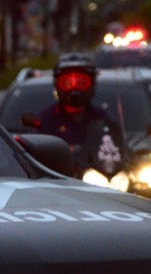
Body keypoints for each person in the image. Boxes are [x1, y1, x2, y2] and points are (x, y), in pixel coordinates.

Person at [34, 50, 126, 179]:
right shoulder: (45, 120)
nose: (75, 89)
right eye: (68, 83)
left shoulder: (103, 119)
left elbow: (117, 150)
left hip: (98, 182)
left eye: (82, 83)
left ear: (92, 85)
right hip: (56, 183)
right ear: (57, 85)